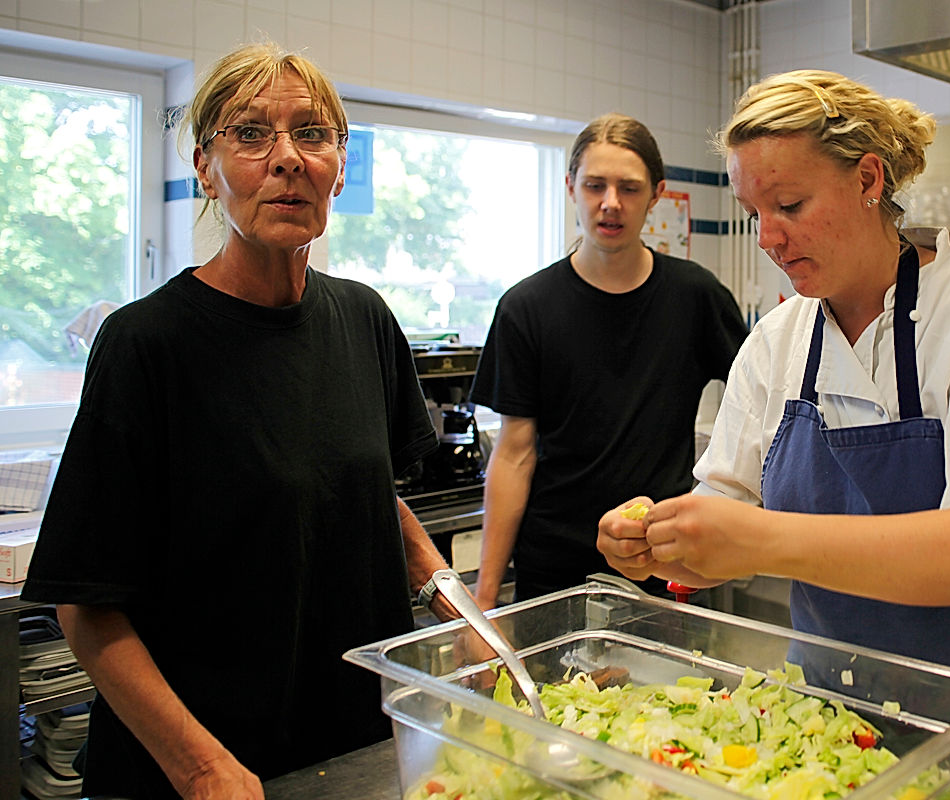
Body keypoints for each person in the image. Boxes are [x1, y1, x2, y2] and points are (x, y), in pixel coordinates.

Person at [597, 70, 950, 773]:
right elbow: (724, 511)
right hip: (842, 734)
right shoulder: (777, 342)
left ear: (869, 178)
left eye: (789, 204)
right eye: (756, 213)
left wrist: (759, 539)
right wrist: (664, 540)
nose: (769, 239)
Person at [21, 43, 457, 799]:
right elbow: (85, 603)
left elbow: (366, 497)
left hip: (351, 744)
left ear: (340, 168)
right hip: (199, 768)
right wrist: (200, 765)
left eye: (313, 134)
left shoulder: (364, 318)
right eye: (251, 134)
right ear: (205, 168)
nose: (287, 158)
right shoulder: (145, 345)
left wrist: (468, 620)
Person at [469, 113, 747, 609]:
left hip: (663, 560)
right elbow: (513, 453)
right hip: (555, 571)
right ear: (571, 186)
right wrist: (485, 597)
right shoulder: (526, 307)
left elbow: (759, 408)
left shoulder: (696, 296)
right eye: (595, 185)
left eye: (629, 188)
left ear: (656, 194)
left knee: (674, 690)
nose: (611, 203)